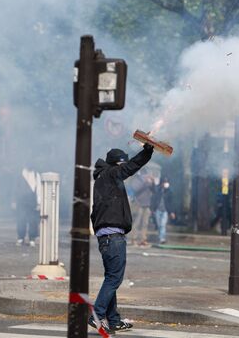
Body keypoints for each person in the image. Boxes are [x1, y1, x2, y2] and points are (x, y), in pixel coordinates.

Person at [88, 143, 154, 334]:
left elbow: (95, 213)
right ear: (115, 165)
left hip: (106, 236)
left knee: (112, 278)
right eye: (120, 166)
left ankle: (114, 320)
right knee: (114, 278)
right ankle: (97, 314)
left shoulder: (103, 179)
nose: (122, 170)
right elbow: (131, 166)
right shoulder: (110, 174)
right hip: (112, 236)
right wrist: (147, 151)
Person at [13, 164, 40, 247]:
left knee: (33, 221)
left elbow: (39, 189)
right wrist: (14, 201)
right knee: (21, 220)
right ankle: (21, 238)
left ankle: (32, 238)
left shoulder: (36, 175)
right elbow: (15, 189)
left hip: (32, 201)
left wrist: (39, 203)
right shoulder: (19, 174)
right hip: (21, 202)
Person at [129, 172, 154, 246]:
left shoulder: (149, 181)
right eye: (146, 174)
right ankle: (133, 239)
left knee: (145, 224)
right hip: (138, 204)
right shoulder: (137, 179)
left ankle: (143, 239)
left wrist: (153, 182)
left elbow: (154, 190)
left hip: (147, 205)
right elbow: (136, 189)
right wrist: (145, 182)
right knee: (137, 223)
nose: (147, 175)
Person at [150, 177, 175, 244]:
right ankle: (160, 237)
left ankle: (162, 239)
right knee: (158, 225)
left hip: (165, 211)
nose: (165, 184)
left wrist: (172, 212)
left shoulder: (170, 191)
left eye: (166, 182)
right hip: (158, 210)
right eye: (164, 182)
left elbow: (171, 203)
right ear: (161, 183)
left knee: (162, 225)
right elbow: (153, 194)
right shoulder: (158, 190)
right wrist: (152, 209)